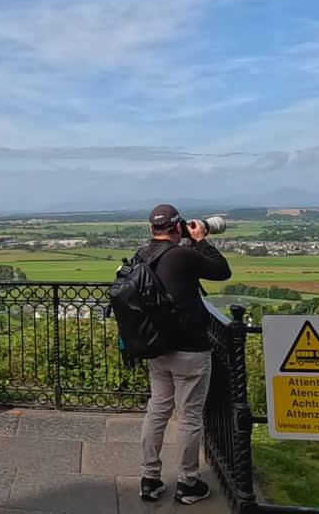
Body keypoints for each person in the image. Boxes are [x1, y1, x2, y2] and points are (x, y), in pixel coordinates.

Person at [135, 204, 232, 505]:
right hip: (190, 349)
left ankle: (150, 479)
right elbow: (221, 270)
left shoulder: (143, 255)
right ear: (178, 228)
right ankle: (188, 482)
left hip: (156, 348)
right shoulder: (183, 255)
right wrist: (201, 239)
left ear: (151, 229)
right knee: (189, 417)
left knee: (158, 410)